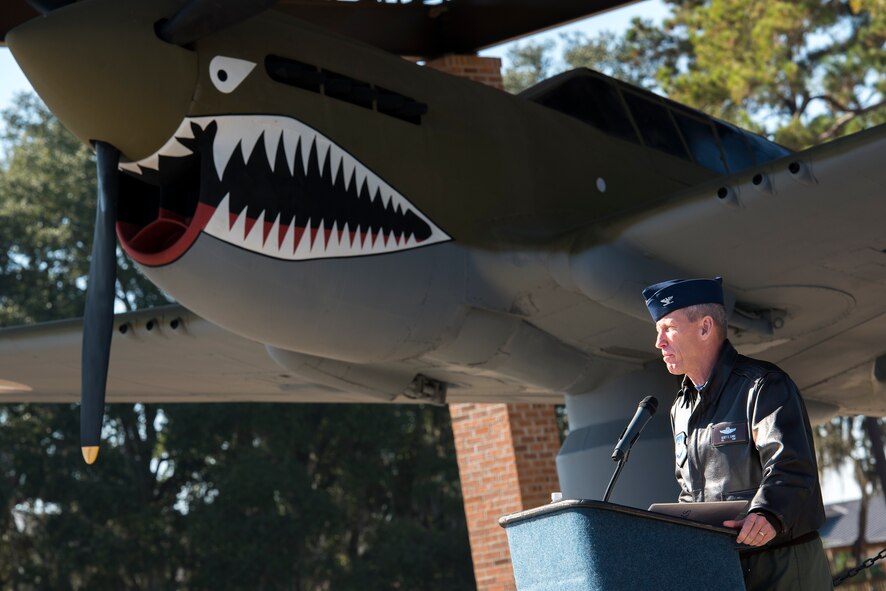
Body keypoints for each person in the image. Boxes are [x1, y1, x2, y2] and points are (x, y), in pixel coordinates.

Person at [642, 276, 833, 591]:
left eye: (669, 329)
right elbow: (691, 492)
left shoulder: (762, 386)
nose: (659, 342)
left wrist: (768, 512)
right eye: (657, 331)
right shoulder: (681, 409)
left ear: (705, 328)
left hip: (782, 563)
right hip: (724, 566)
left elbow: (791, 466)